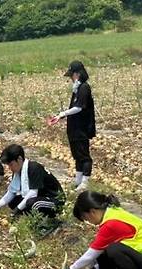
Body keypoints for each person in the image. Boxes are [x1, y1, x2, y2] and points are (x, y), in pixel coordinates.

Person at [0, 144, 65, 228]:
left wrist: (18, 209)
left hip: (54, 201)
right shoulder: (18, 171)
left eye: (11, 164)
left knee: (32, 203)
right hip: (40, 198)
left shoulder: (34, 168)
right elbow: (11, 192)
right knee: (13, 201)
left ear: (19, 159)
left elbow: (33, 193)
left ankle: (42, 224)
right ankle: (33, 219)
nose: (10, 168)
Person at [50, 61, 96, 192]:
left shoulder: (84, 88)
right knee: (76, 155)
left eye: (72, 75)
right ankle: (78, 179)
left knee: (84, 155)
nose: (71, 78)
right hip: (74, 128)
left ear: (77, 74)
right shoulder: (77, 88)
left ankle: (85, 182)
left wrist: (62, 114)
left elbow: (79, 107)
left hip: (81, 127)